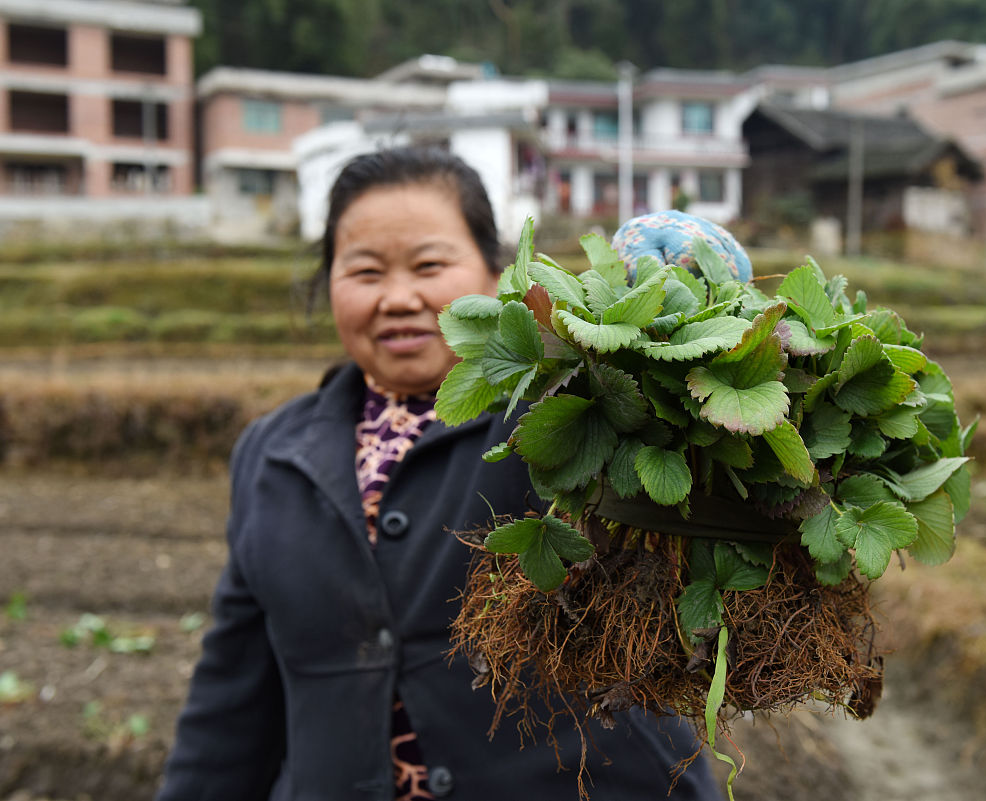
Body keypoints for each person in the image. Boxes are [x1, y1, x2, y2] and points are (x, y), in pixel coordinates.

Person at [155, 147, 721, 801]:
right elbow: (231, 696)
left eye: (429, 265)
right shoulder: (270, 453)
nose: (399, 298)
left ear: (495, 273)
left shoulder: (570, 410)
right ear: (328, 280)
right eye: (364, 270)